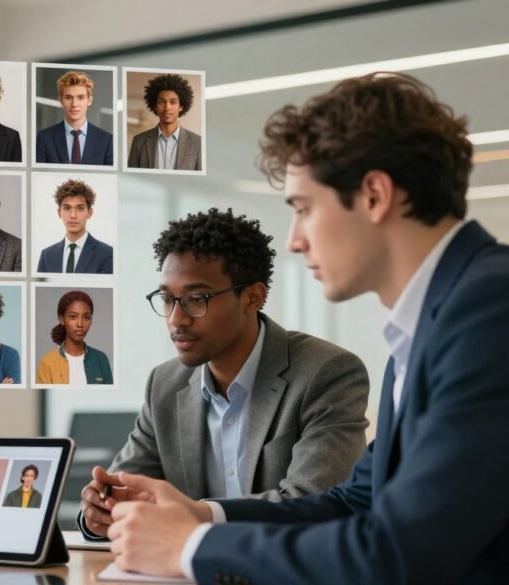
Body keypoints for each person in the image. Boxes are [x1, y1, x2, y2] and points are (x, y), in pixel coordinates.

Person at [101, 73, 509, 584]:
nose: (294, 241)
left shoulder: (489, 310)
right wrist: (200, 516)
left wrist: (191, 547)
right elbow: (355, 502)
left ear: (375, 196)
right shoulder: (435, 321)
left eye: (303, 208)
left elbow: (398, 553)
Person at [79, 207, 370, 539]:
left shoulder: (326, 373)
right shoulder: (164, 384)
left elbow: (314, 505)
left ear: (253, 298)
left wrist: (200, 515)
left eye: (196, 298)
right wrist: (99, 512)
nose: (176, 319)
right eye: (167, 299)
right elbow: (122, 492)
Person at [36, 178, 113, 274]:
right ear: (59, 212)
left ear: (89, 213)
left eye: (80, 208)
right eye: (67, 208)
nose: (73, 215)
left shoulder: (106, 253)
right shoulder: (47, 255)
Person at [36, 70, 113, 166]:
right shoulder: (44, 138)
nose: (74, 104)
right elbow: (40, 177)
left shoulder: (106, 140)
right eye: (68, 97)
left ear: (89, 100)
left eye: (80, 97)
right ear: (61, 100)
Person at [36, 290, 113, 385]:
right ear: (62, 319)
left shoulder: (101, 359)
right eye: (73, 317)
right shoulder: (47, 362)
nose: (80, 324)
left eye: (86, 317)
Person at [127, 73, 201, 171]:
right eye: (161, 102)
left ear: (181, 106)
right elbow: (132, 178)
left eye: (173, 102)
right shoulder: (139, 141)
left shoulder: (197, 142)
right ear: (155, 106)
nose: (167, 107)